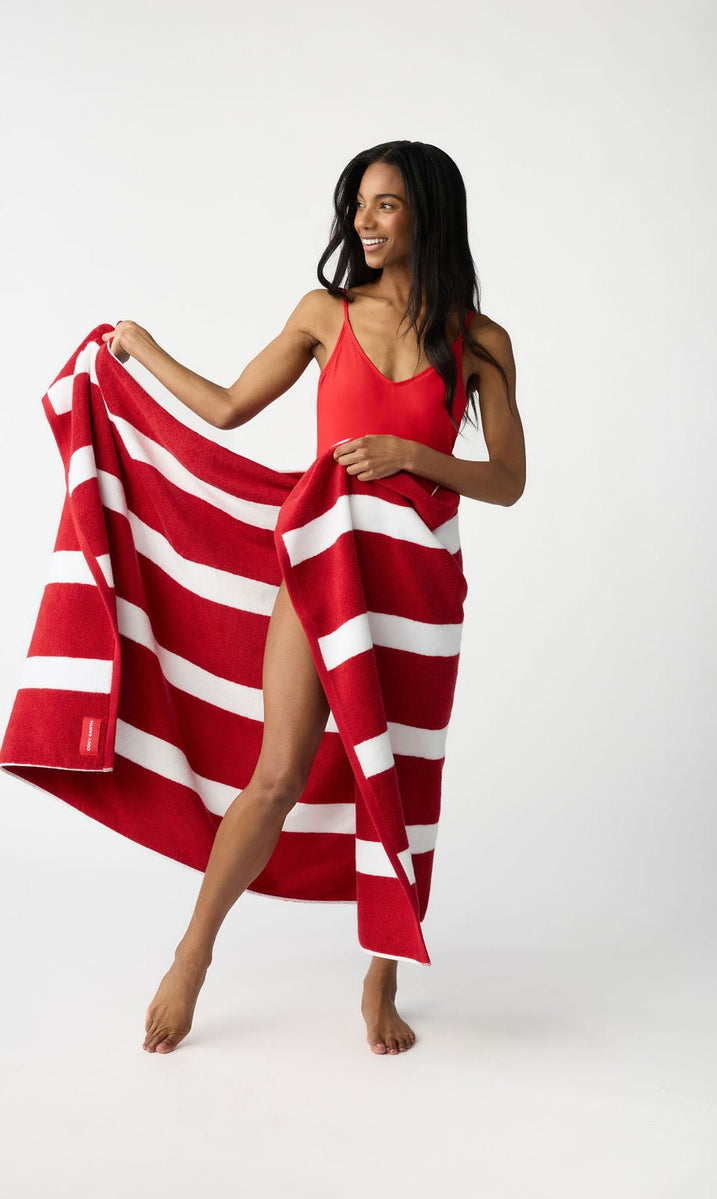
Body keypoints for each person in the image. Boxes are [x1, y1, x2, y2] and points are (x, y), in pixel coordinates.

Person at [101, 140, 526, 1057]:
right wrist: (142, 348)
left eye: (386, 206)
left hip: (418, 585)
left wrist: (413, 455)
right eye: (360, 205)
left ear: (428, 214)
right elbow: (227, 406)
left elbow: (508, 479)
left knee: (403, 788)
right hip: (323, 565)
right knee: (277, 774)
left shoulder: (480, 340)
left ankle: (382, 977)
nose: (365, 222)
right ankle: (192, 954)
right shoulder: (324, 315)